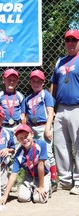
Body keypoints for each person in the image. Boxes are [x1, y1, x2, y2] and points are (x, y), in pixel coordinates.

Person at [50, 29, 79, 195]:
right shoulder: (59, 61)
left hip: (77, 108)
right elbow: (54, 84)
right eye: (68, 40)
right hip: (60, 108)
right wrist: (51, 108)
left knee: (78, 145)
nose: (70, 43)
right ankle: (66, 181)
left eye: (74, 40)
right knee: (60, 145)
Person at [0, 124, 50, 205]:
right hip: (29, 175)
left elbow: (41, 166)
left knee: (39, 199)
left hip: (44, 173)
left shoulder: (41, 144)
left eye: (26, 136)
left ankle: (45, 186)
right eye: (21, 138)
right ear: (18, 140)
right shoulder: (19, 154)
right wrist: (5, 196)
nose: (24, 139)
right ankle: (32, 188)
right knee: (22, 198)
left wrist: (41, 187)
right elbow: (13, 175)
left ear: (32, 134)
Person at [25, 69, 57, 192]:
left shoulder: (45, 94)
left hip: (44, 126)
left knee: (48, 153)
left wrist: (48, 129)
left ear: (43, 82)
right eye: (33, 81)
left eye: (39, 81)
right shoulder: (28, 98)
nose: (36, 83)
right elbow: (26, 117)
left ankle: (53, 180)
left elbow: (50, 113)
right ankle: (39, 177)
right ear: (30, 82)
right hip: (33, 128)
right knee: (37, 153)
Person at [0, 69, 25, 134]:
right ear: (3, 80)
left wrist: (22, 128)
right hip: (3, 126)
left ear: (17, 81)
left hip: (17, 126)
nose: (12, 82)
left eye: (14, 80)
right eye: (9, 79)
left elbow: (23, 114)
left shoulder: (20, 96)